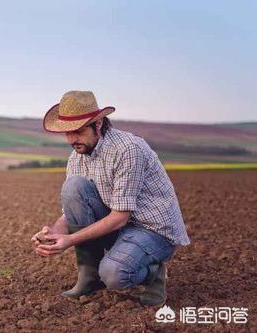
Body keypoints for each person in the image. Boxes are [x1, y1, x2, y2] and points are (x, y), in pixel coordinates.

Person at [31, 91, 190, 306]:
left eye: (77, 131)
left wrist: (69, 241)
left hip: (153, 229)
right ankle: (89, 278)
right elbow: (70, 213)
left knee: (114, 275)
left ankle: (154, 274)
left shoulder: (127, 150)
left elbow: (120, 218)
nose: (71, 140)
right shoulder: (78, 155)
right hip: (118, 224)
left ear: (98, 125)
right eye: (67, 133)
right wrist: (52, 234)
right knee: (74, 186)